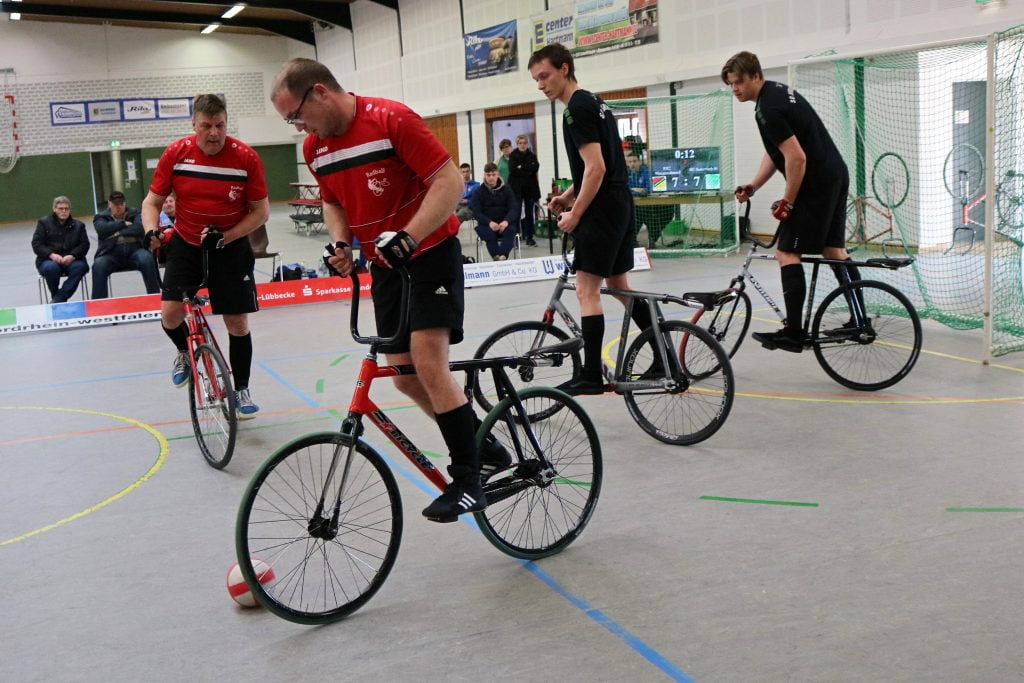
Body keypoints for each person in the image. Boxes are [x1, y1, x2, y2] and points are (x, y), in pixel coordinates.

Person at [270, 57, 511, 522]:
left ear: (320, 92)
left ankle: (468, 478)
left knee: (427, 359)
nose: (298, 125)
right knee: (402, 374)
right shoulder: (315, 148)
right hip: (385, 267)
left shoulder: (390, 119)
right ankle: (483, 442)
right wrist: (340, 243)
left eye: (296, 114)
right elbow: (333, 201)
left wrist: (411, 235)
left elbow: (449, 181)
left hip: (429, 254)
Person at [529, 43, 656, 395]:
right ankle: (661, 353)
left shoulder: (576, 109)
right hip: (618, 202)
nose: (541, 85)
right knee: (619, 287)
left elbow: (597, 168)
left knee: (587, 290)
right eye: (536, 79)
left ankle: (590, 376)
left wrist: (576, 213)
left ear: (565, 69)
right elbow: (600, 167)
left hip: (602, 209)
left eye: (545, 76)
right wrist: (569, 195)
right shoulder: (595, 102)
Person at [140, 94, 270, 418]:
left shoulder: (246, 158)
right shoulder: (176, 153)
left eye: (220, 125)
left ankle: (240, 389)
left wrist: (226, 237)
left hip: (230, 246)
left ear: (227, 123)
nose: (214, 133)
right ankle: (185, 353)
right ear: (194, 125)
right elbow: (151, 202)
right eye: (206, 126)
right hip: (186, 243)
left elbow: (262, 212)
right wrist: (150, 230)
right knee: (170, 316)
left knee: (237, 323)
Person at [723, 50, 859, 353]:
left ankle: (794, 332)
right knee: (833, 250)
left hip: (816, 183)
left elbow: (796, 158)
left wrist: (788, 202)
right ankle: (859, 318)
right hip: (835, 174)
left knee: (787, 253)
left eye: (739, 82)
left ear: (755, 76)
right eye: (731, 84)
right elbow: (778, 152)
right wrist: (754, 186)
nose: (735, 89)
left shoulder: (768, 108)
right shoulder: (775, 94)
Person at [91, 191, 161, 299]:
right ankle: (98, 303)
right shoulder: (100, 217)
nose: (119, 207)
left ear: (125, 203)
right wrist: (123, 224)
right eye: (115, 204)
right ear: (109, 204)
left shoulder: (135, 213)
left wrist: (116, 232)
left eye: (121, 204)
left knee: (147, 258)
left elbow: (139, 228)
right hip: (110, 253)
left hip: (135, 250)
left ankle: (155, 297)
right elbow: (102, 230)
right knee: (98, 265)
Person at [32, 196, 90, 303]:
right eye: (60, 208)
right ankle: (57, 297)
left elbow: (84, 244)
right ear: (54, 209)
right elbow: (37, 244)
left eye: (66, 209)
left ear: (69, 210)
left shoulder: (79, 225)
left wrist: (73, 255)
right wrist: (51, 255)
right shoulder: (43, 223)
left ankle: (58, 299)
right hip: (48, 260)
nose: (64, 211)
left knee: (80, 267)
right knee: (51, 268)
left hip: (73, 260)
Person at [470, 162, 519, 260]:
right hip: (486, 224)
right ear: (484, 175)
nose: (491, 178)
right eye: (488, 175)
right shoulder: (478, 191)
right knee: (489, 235)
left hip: (505, 223)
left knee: (510, 232)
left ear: (498, 175)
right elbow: (476, 212)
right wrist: (489, 223)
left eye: (493, 175)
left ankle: (502, 256)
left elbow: (514, 209)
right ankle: (497, 257)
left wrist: (506, 221)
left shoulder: (507, 190)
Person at [625, 150, 673, 247]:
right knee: (634, 215)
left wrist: (636, 190)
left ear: (639, 161)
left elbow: (649, 189)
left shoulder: (646, 171)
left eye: (634, 161)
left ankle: (652, 239)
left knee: (667, 210)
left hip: (648, 205)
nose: (632, 164)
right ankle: (632, 241)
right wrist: (637, 190)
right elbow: (624, 189)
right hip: (633, 205)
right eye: (630, 162)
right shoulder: (626, 173)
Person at [508, 134, 541, 246]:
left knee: (529, 213)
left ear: (527, 144)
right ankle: (516, 237)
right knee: (516, 213)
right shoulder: (513, 155)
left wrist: (521, 167)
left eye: (524, 143)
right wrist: (527, 169)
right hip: (516, 189)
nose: (522, 145)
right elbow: (512, 170)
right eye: (520, 143)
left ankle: (529, 237)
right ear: (517, 144)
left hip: (529, 189)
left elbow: (535, 167)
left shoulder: (532, 155)